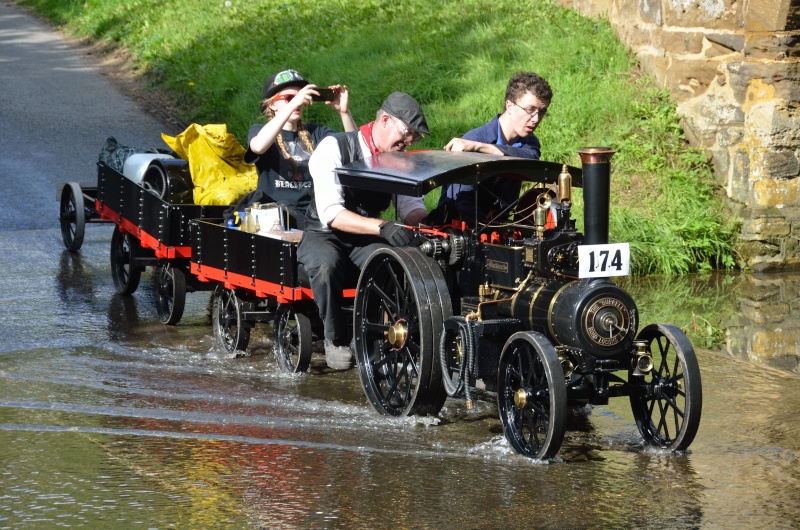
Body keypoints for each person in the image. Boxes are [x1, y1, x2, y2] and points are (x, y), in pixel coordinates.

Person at [298, 92, 430, 370]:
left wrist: (426, 225)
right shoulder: (333, 148)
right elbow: (331, 214)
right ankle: (335, 339)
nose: (407, 144)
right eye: (406, 134)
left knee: (395, 263)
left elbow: (410, 206)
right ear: (384, 120)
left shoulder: (397, 158)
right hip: (324, 233)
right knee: (326, 265)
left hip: (367, 236)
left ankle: (389, 336)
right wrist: (382, 226)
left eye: (414, 139)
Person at [244, 69, 357, 228]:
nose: (297, 102)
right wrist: (293, 105)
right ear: (272, 104)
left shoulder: (316, 132)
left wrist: (344, 113)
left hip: (313, 214)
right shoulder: (260, 131)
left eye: (298, 97)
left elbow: (354, 152)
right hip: (276, 216)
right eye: (289, 98)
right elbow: (258, 147)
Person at [435, 71, 552, 224]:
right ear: (509, 105)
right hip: (458, 228)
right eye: (530, 110)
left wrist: (483, 149)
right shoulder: (473, 139)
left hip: (499, 226)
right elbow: (461, 202)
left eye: (542, 112)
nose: (536, 119)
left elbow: (530, 159)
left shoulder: (529, 142)